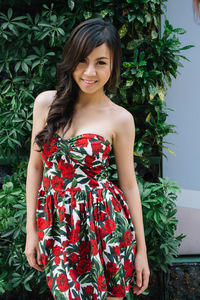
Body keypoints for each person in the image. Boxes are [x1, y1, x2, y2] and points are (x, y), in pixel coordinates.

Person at [24, 17, 150, 300]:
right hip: (58, 229)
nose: (90, 72)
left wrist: (142, 251)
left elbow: (129, 185)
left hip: (107, 228)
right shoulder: (46, 103)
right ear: (71, 60)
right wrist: (30, 230)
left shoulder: (120, 119)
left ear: (114, 64)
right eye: (82, 60)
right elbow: (35, 168)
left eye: (101, 62)